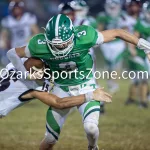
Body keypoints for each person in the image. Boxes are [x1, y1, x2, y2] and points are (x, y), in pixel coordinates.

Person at [6, 14, 150, 150]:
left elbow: (117, 32)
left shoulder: (84, 36)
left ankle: (93, 147)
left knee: (91, 128)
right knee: (50, 139)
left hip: (86, 85)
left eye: (63, 44)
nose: (60, 47)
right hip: (61, 87)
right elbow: (12, 53)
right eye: (55, 44)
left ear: (72, 35)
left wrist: (145, 46)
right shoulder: (39, 44)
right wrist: (24, 74)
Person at [0, 58, 111, 118]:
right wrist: (91, 95)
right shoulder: (34, 89)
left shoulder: (15, 65)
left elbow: (29, 61)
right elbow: (59, 103)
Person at [0, 1, 39, 66]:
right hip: (14, 46)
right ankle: (6, 64)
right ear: (11, 10)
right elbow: (3, 35)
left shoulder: (28, 17)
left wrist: (31, 39)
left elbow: (36, 32)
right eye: (15, 9)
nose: (17, 10)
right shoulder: (8, 21)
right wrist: (5, 42)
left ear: (22, 9)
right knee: (1, 44)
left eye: (18, 8)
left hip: (27, 44)